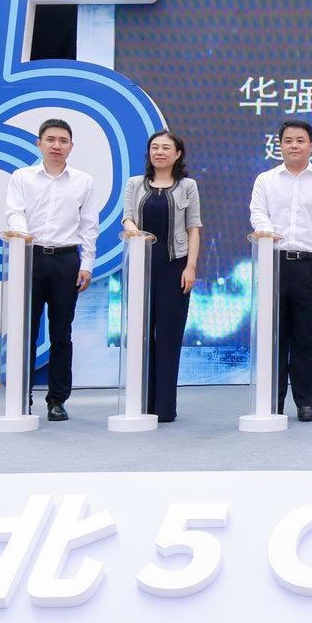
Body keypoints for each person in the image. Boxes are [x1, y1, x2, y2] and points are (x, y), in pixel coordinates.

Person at [250, 119, 312, 422]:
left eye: (300, 140)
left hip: (310, 267)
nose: (294, 145)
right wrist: (268, 232)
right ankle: (272, 402)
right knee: (273, 336)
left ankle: (305, 402)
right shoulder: (265, 180)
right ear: (279, 145)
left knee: (305, 336)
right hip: (273, 262)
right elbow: (257, 213)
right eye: (288, 140)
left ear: (311, 145)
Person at [5, 118, 98, 422]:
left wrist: (86, 264)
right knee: (25, 332)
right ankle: (21, 396)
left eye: (63, 141)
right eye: (50, 140)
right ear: (39, 143)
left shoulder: (83, 181)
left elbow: (89, 227)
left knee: (61, 334)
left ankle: (57, 400)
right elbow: (14, 214)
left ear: (71, 146)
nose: (56, 145)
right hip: (30, 257)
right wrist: (23, 239)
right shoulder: (22, 177)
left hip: (66, 261)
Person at [122, 130, 202, 424]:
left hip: (174, 266)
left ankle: (165, 407)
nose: (159, 152)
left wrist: (190, 267)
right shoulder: (135, 184)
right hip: (141, 266)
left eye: (166, 148)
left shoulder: (188, 186)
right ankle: (140, 402)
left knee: (168, 336)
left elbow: (194, 228)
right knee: (141, 334)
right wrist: (134, 231)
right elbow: (127, 217)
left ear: (177, 154)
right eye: (154, 147)